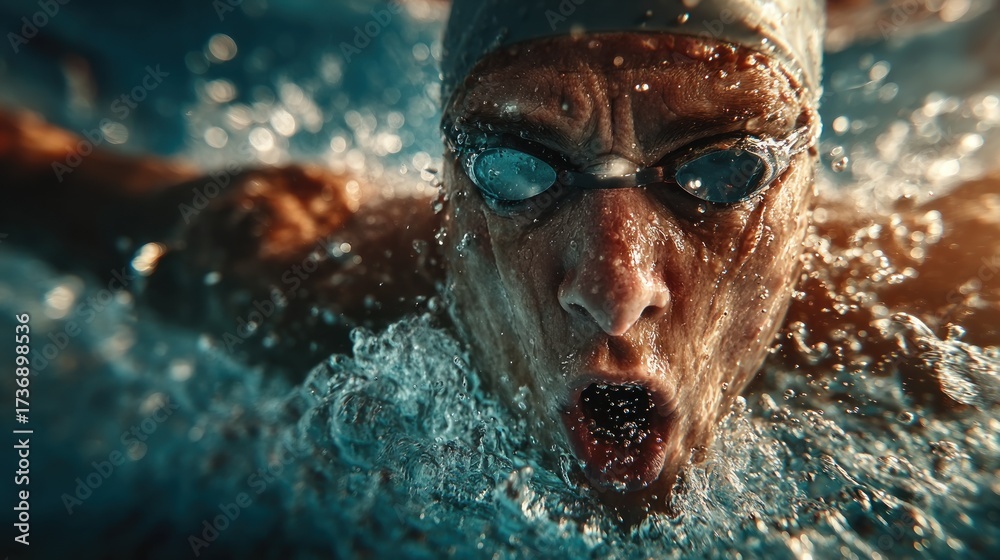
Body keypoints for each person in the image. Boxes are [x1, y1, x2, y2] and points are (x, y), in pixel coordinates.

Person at [1, 0, 997, 518]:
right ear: (446, 186)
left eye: (721, 168)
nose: (612, 288)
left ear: (805, 191)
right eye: (519, 166)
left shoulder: (954, 303)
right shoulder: (312, 280)